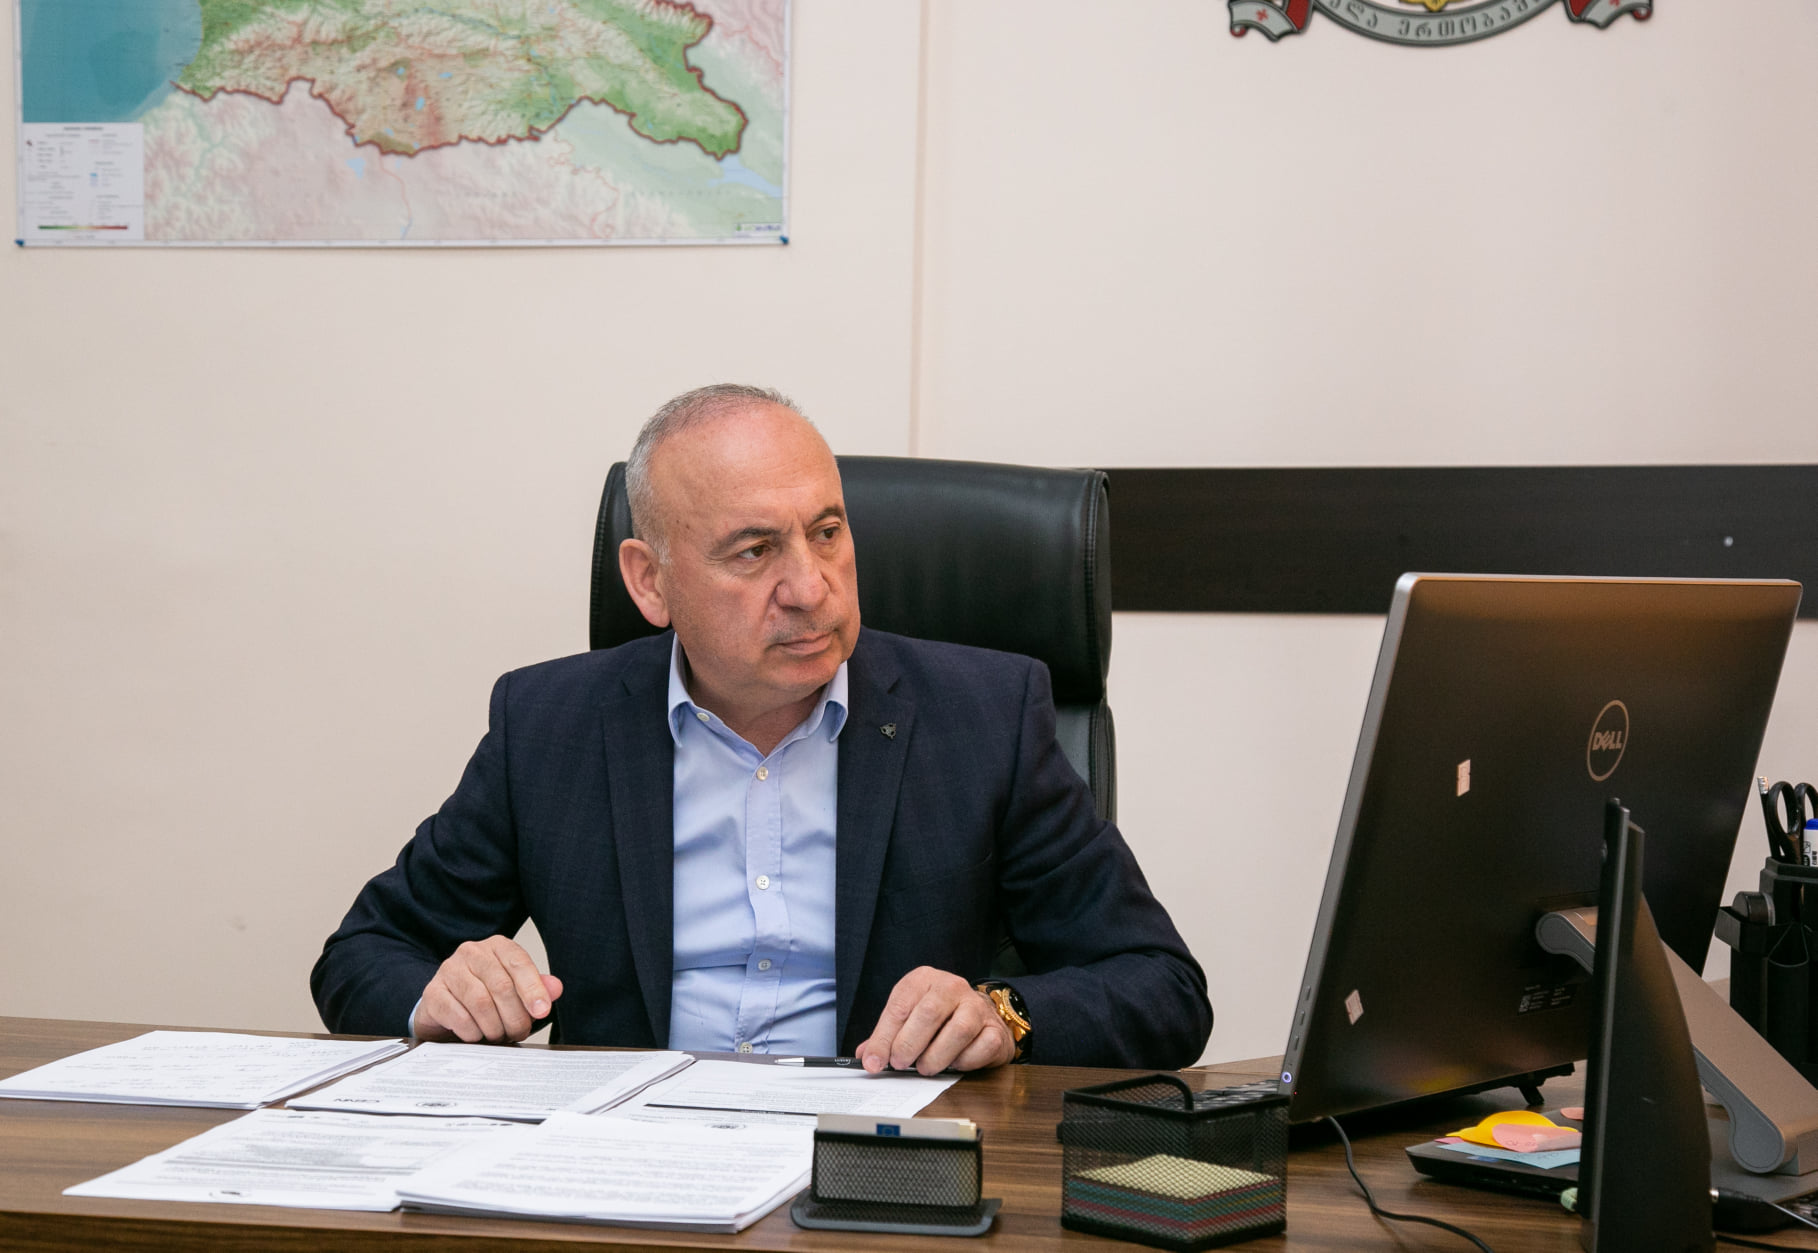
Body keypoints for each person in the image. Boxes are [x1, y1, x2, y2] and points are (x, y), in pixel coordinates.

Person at [312, 385, 1211, 1073]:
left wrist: (1002, 1015)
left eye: (827, 532)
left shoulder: (984, 716)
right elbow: (363, 954)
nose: (811, 586)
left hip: (870, 1174)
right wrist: (437, 994)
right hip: (631, 1175)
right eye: (754, 550)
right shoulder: (549, 725)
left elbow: (1161, 986)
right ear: (650, 580)